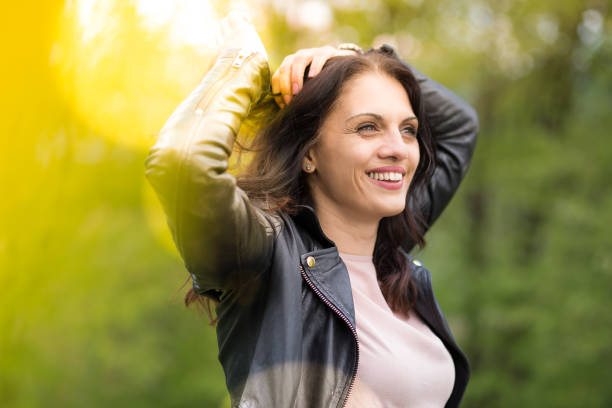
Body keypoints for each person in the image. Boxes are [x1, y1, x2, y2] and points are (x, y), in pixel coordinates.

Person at [145, 12, 478, 408]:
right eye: (368, 127)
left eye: (408, 129)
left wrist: (357, 59)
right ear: (310, 154)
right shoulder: (267, 257)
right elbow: (181, 163)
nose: (398, 148)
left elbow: (459, 128)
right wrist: (243, 65)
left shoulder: (389, 251)